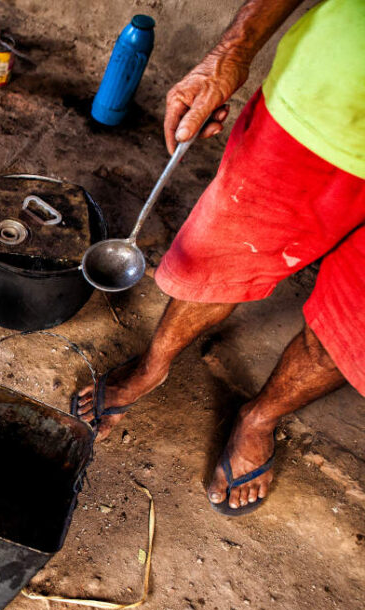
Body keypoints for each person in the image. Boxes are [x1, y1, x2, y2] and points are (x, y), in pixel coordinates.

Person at [72, 0, 365, 515]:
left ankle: (259, 418)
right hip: (326, 109)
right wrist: (231, 52)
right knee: (221, 260)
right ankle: (152, 366)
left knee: (355, 328)